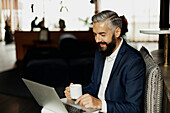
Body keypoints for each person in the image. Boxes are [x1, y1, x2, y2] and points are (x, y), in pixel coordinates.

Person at [64, 10, 146, 113]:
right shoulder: (101, 52)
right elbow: (94, 87)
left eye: (102, 34)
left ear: (117, 32)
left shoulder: (133, 61)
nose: (97, 40)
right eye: (95, 35)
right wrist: (77, 93)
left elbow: (134, 108)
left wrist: (99, 104)